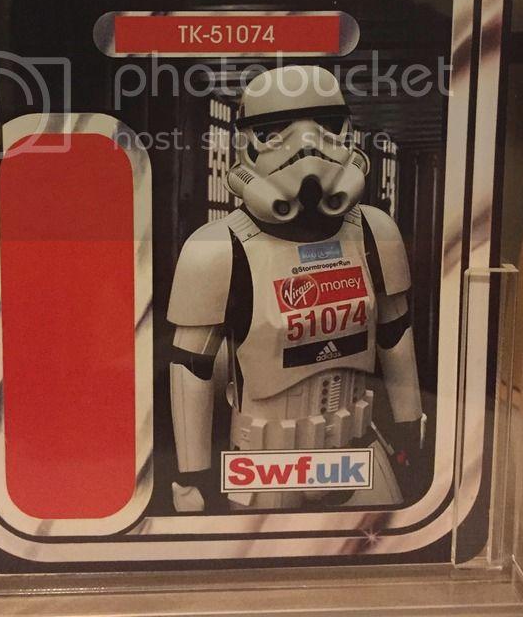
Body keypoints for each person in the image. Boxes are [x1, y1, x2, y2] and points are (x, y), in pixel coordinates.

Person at [167, 66, 425, 512]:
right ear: (246, 143)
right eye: (274, 131)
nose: (306, 146)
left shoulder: (373, 231)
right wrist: (192, 476)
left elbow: (395, 335)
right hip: (265, 465)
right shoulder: (217, 249)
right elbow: (192, 368)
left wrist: (408, 423)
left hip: (356, 449)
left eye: (327, 125)